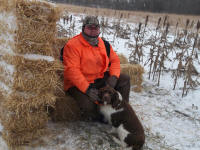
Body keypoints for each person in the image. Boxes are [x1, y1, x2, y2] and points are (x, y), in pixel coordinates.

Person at [63, 16, 130, 121]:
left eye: (96, 28)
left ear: (99, 30)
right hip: (78, 84)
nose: (93, 31)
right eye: (90, 28)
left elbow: (115, 61)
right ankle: (100, 116)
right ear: (83, 28)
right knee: (89, 106)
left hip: (99, 78)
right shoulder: (72, 45)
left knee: (125, 79)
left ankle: (121, 110)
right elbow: (72, 71)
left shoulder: (104, 44)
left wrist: (113, 76)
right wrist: (87, 89)